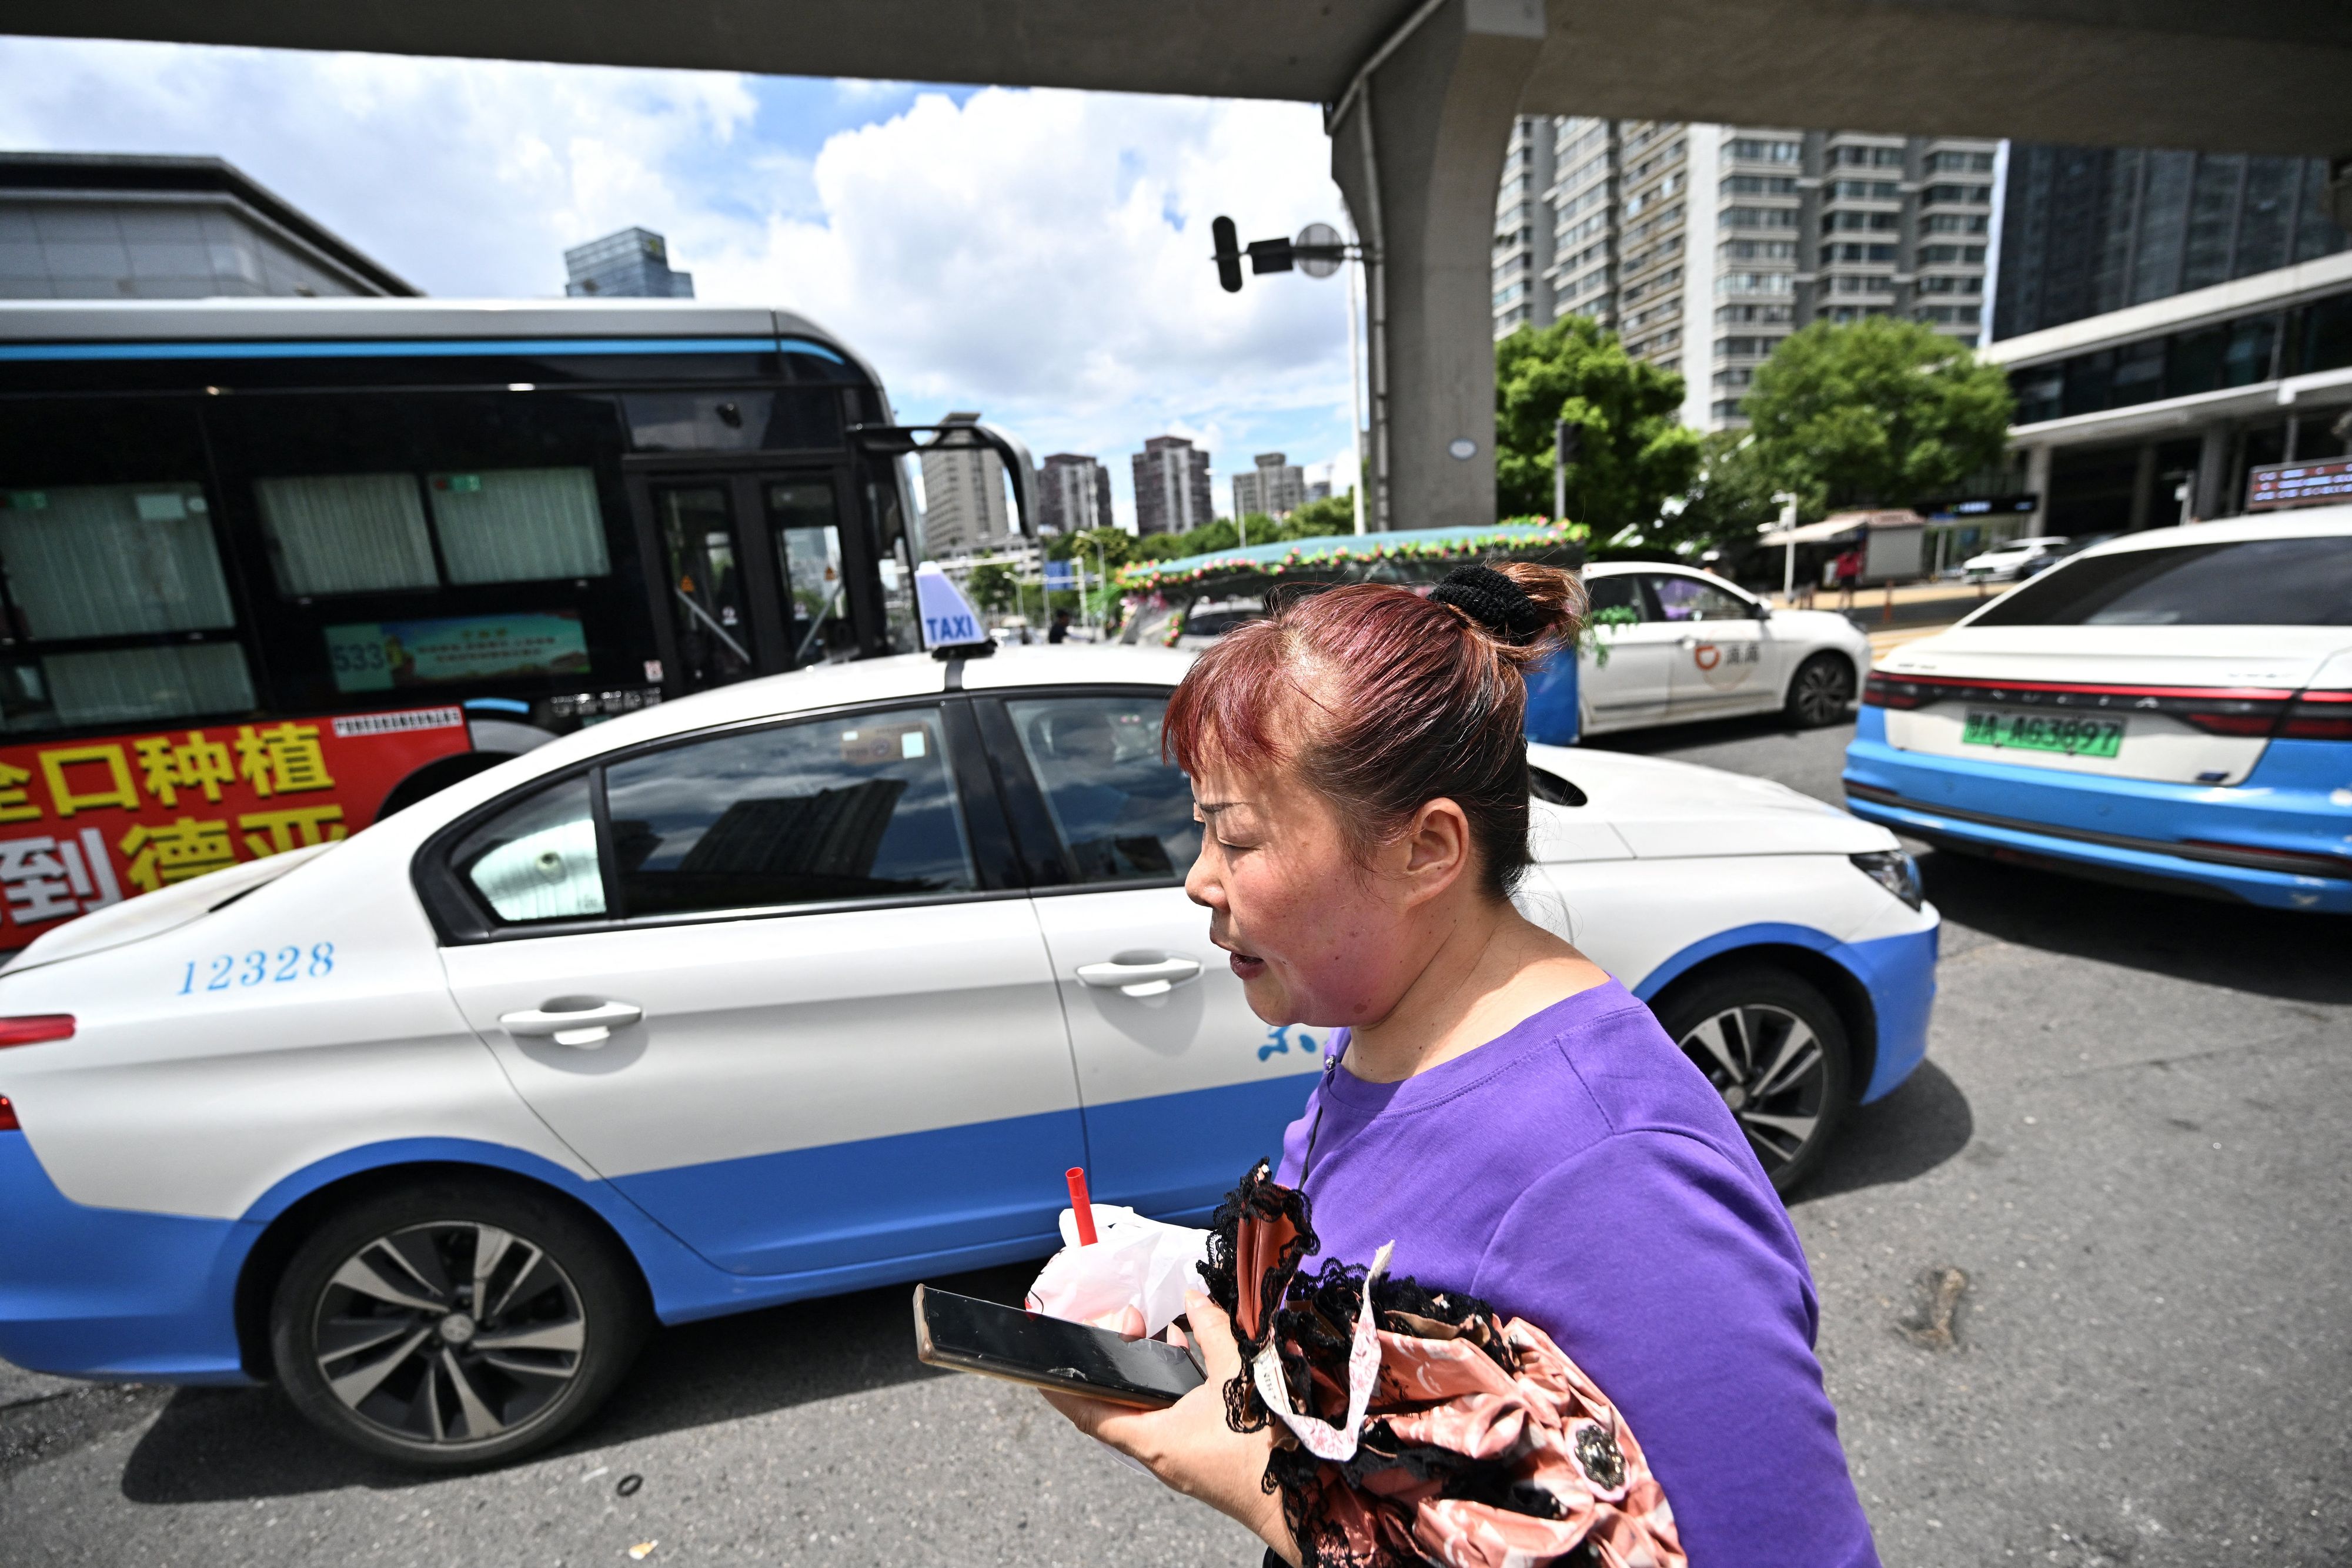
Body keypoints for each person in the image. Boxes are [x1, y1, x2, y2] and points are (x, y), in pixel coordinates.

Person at [1043, 562, 1879, 1568]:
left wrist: (1276, 1502)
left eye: (1236, 835)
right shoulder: (1394, 1026)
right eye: (1201, 827)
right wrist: (1199, 1298)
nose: (1199, 880)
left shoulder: (1615, 1177)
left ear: (1426, 853)